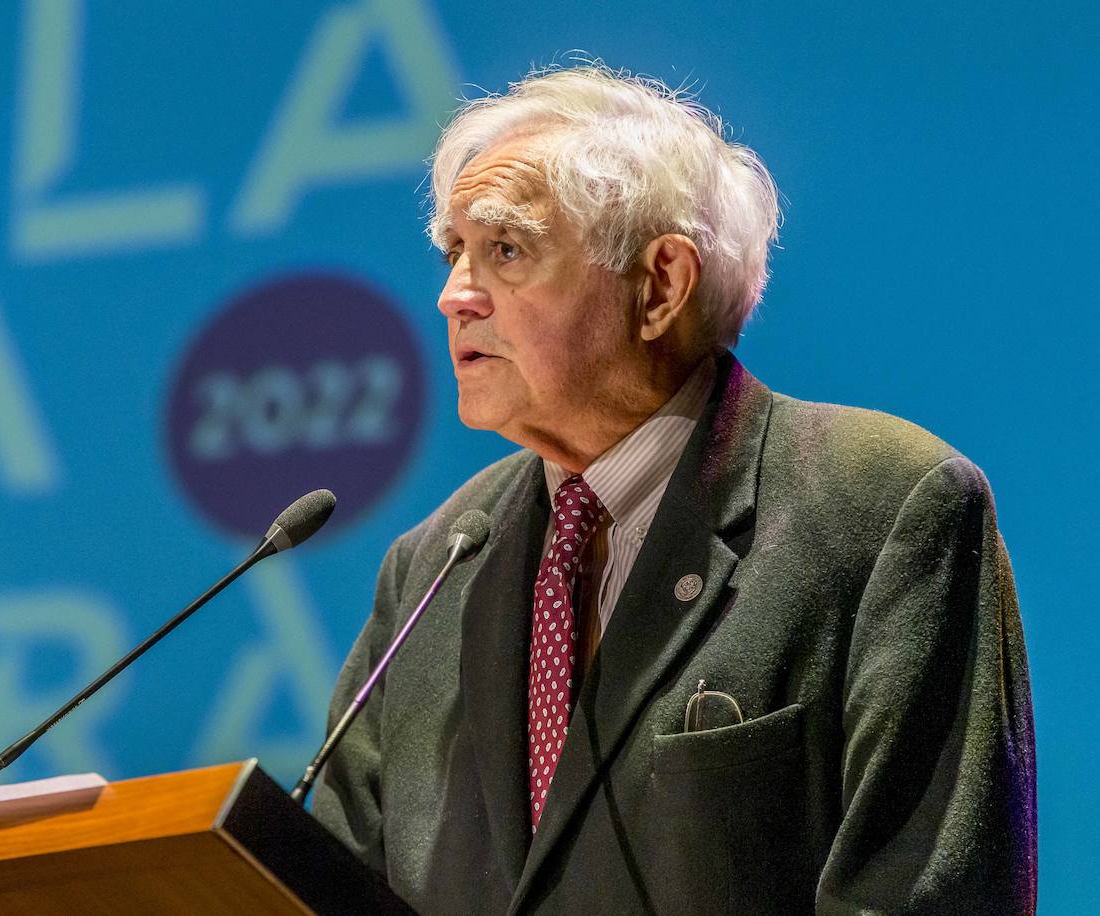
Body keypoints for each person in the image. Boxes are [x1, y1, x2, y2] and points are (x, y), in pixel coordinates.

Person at [310, 65, 1036, 915]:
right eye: (454, 253)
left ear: (660, 285)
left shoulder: (883, 509)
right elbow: (318, 886)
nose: (454, 296)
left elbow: (924, 893)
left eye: (505, 251)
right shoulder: (434, 562)